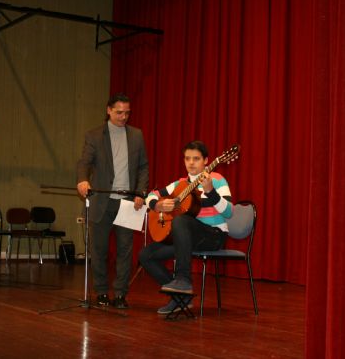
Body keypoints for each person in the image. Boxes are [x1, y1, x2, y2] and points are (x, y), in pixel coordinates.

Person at [139, 140, 233, 314]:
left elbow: (229, 212)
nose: (191, 162)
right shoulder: (179, 185)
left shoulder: (217, 180)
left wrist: (210, 191)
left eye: (196, 158)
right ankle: (181, 297)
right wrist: (157, 206)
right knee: (146, 255)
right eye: (187, 158)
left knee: (181, 221)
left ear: (206, 161)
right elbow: (152, 195)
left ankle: (183, 280)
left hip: (213, 236)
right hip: (187, 239)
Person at [76, 93, 149, 309]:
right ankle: (101, 292)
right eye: (119, 112)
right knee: (99, 250)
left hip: (127, 201)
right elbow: (84, 162)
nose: (123, 116)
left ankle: (120, 294)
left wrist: (140, 192)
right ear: (108, 110)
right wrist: (82, 180)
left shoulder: (136, 135)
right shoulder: (94, 135)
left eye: (127, 112)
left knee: (125, 250)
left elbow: (143, 166)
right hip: (101, 200)